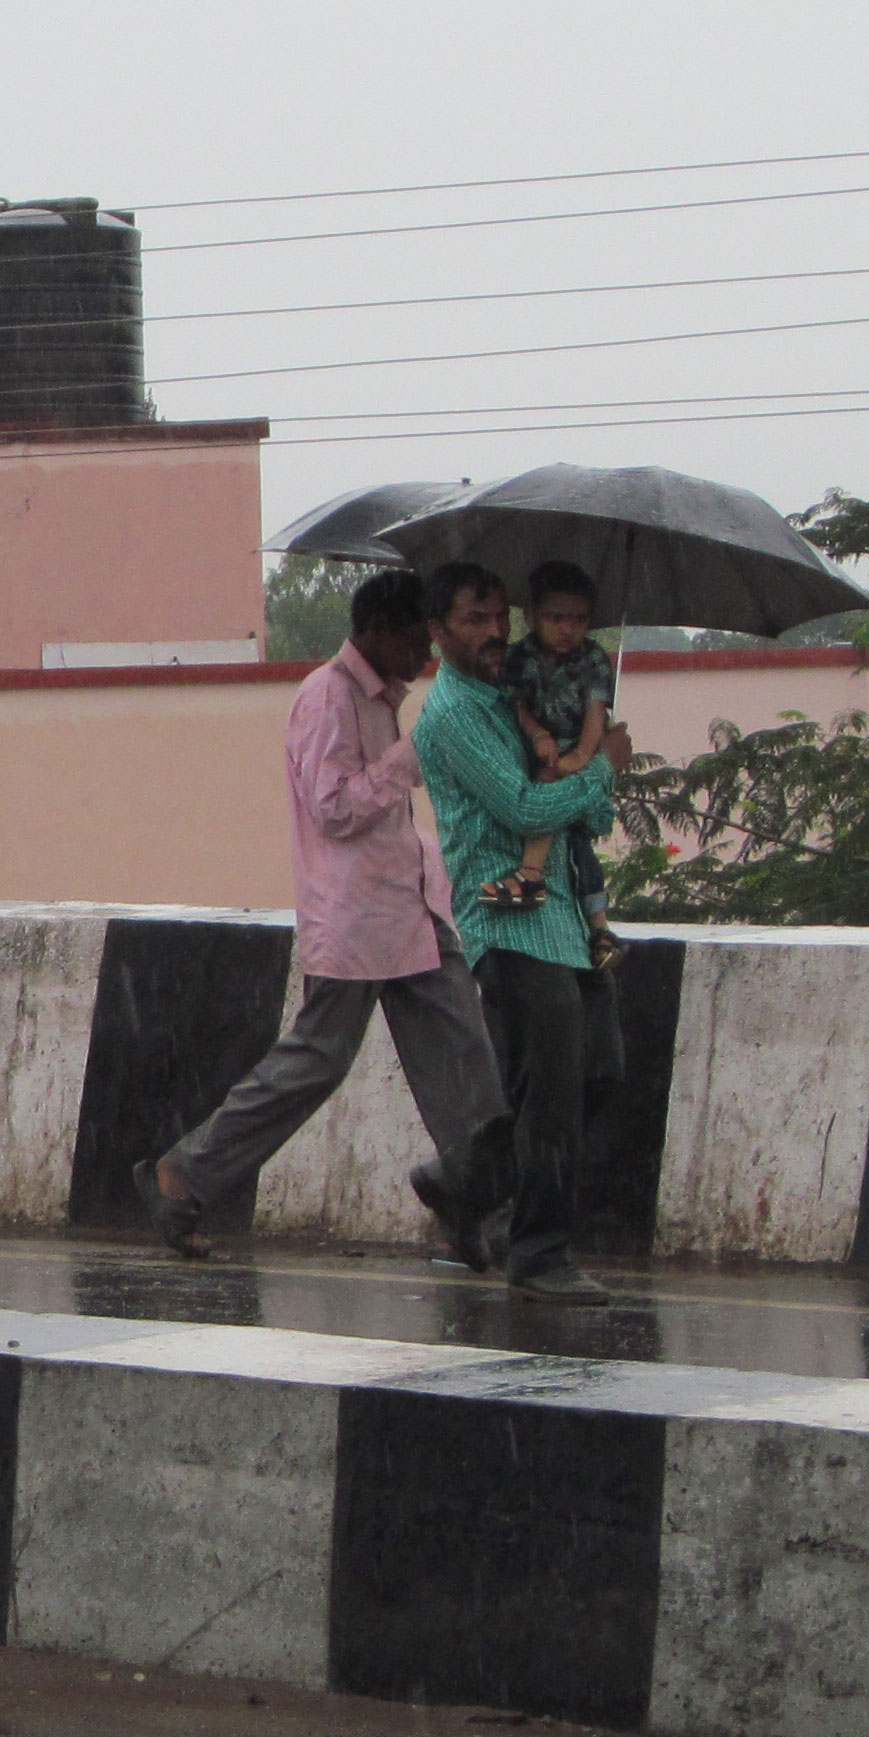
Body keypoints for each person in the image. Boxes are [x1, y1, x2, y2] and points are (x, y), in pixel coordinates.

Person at [135, 569, 511, 1264]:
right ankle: (182, 1174)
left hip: (407, 906)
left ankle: (480, 1209)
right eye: (413, 638)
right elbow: (334, 809)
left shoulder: (383, 699)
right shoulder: (326, 699)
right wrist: (411, 758)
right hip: (355, 918)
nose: (424, 656)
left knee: (464, 1056)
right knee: (317, 1061)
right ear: (376, 632)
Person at [416, 559, 633, 1304]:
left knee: (596, 1074)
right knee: (553, 1094)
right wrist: (598, 772)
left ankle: (467, 1179)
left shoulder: (522, 691)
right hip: (508, 920)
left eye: (498, 616)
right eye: (472, 620)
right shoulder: (451, 715)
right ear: (437, 631)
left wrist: (594, 763)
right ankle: (538, 1253)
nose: (490, 633)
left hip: (566, 915)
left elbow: (592, 819)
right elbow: (526, 810)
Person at [488, 558, 620, 966]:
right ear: (530, 616)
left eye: (578, 620)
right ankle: (596, 927)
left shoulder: (594, 659)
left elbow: (597, 712)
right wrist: (537, 734)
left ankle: (532, 876)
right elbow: (520, 706)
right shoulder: (519, 658)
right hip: (539, 745)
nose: (568, 629)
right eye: (556, 618)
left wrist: (581, 756)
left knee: (563, 815)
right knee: (574, 847)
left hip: (581, 747)